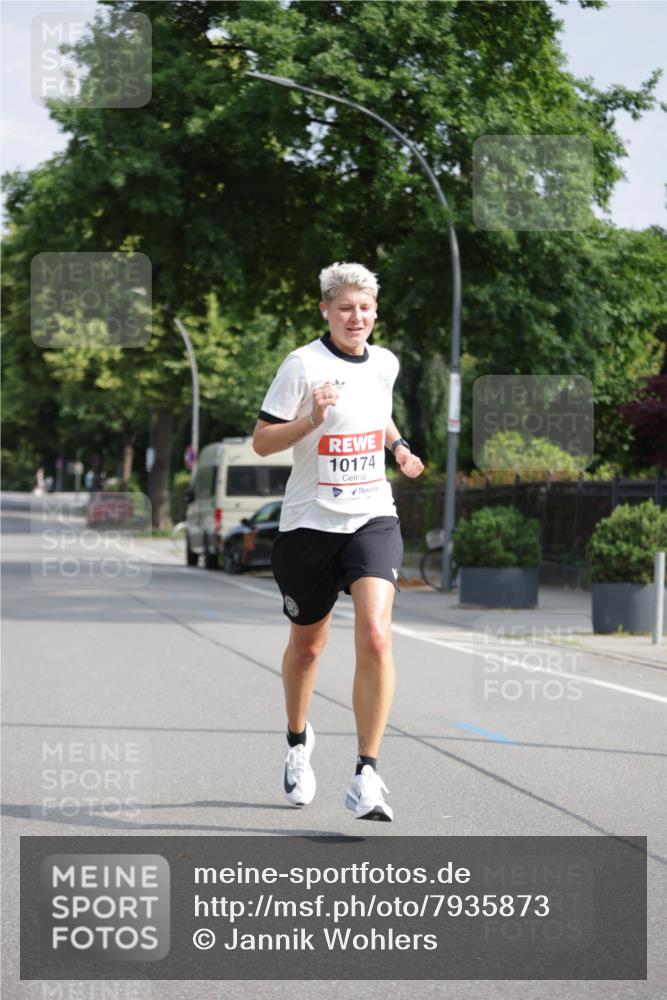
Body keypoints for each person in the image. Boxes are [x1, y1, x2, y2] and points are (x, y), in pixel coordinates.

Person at [253, 262, 424, 822]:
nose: (357, 318)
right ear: (325, 309)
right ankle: (298, 742)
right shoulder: (302, 365)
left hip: (372, 516)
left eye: (366, 308)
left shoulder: (386, 363)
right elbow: (261, 441)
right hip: (309, 526)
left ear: (377, 312)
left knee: (376, 634)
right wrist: (311, 419)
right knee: (308, 648)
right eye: (346, 307)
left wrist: (398, 449)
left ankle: (367, 775)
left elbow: (380, 414)